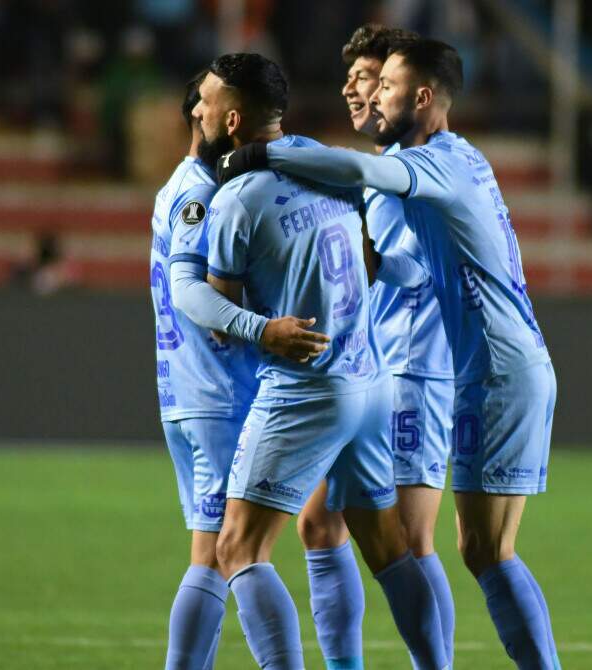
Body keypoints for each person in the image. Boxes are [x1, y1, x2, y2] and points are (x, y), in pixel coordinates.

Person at [217, 39, 561, 669]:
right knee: (463, 546)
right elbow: (413, 258)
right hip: (495, 364)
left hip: (471, 368)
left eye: (382, 84)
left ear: (422, 96)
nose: (369, 94)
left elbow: (360, 172)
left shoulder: (430, 163)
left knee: (461, 546)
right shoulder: (454, 159)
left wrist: (267, 149)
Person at [170, 53, 449, 670]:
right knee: (388, 550)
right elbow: (379, 252)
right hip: (370, 380)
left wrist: (254, 327)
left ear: (233, 118)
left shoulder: (236, 200)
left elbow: (217, 308)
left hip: (308, 390)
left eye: (208, 102)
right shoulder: (325, 168)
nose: (199, 109)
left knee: (238, 548)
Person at [293, 24, 459, 670]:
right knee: (317, 524)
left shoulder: (418, 170)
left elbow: (409, 268)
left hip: (413, 370)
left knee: (414, 541)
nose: (355, 90)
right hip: (364, 376)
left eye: (370, 79)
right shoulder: (379, 173)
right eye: (357, 80)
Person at [148, 72, 260, 670]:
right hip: (216, 392)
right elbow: (200, 301)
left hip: (190, 391)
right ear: (199, 112)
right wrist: (265, 325)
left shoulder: (184, 187)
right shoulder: (200, 194)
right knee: (217, 555)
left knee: (219, 549)